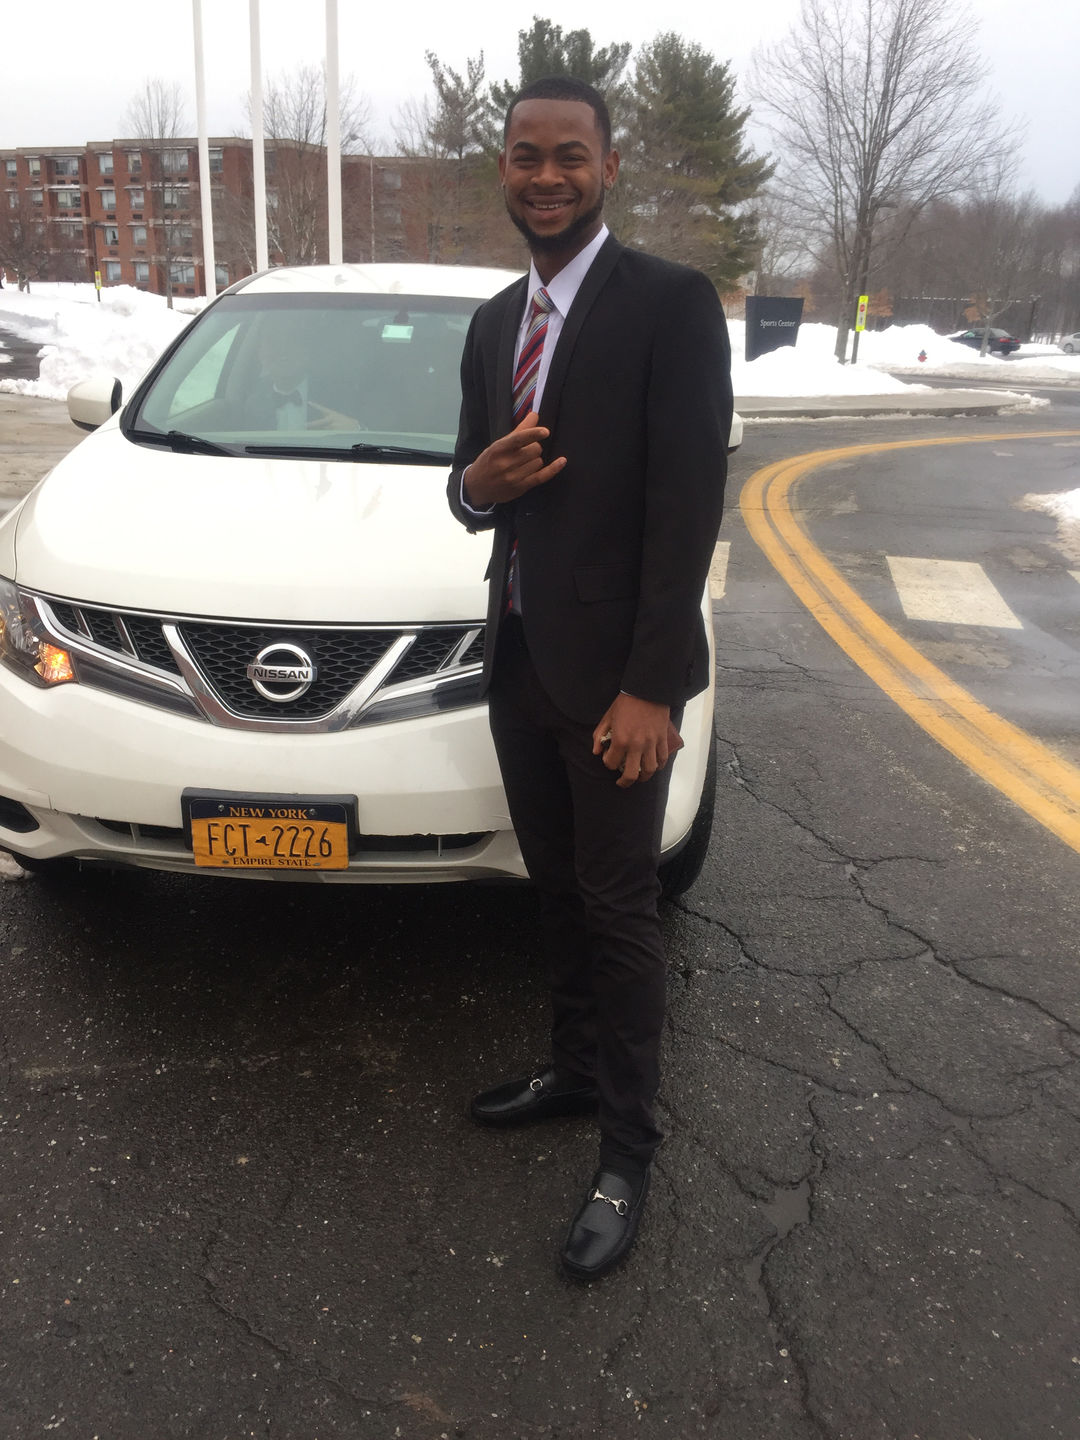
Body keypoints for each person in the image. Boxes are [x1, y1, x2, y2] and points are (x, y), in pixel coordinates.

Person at [447, 75, 732, 1280]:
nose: (548, 176)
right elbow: (470, 486)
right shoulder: (491, 324)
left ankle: (627, 1151)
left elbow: (688, 508)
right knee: (555, 888)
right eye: (527, 155)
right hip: (519, 660)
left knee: (620, 911)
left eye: (571, 155)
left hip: (620, 681)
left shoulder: (670, 304)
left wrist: (653, 688)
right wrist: (477, 487)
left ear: (609, 167)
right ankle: (572, 1073)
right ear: (503, 169)